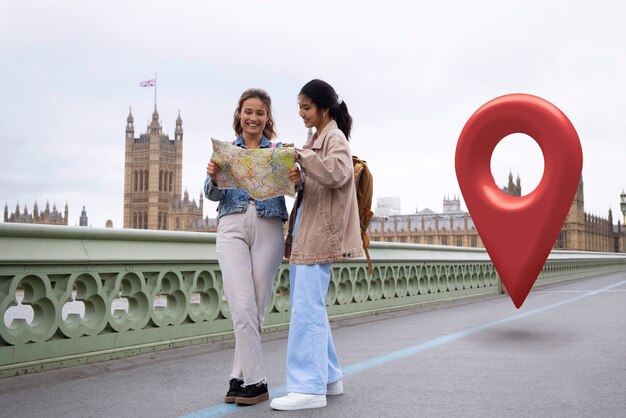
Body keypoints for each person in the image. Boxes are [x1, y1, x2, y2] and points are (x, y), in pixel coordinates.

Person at [270, 79, 363, 411]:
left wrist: (300, 156)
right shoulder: (318, 138)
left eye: (306, 107)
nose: (301, 113)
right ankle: (329, 378)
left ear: (323, 108)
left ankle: (308, 387)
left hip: (318, 235)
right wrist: (300, 178)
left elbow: (338, 174)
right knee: (312, 309)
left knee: (306, 311)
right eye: (299, 106)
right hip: (308, 233)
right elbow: (321, 184)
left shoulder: (333, 137)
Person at [204, 88, 288, 405]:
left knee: (256, 305)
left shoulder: (278, 152)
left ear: (267, 118)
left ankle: (238, 377)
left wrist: (296, 175)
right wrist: (212, 176)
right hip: (232, 222)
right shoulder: (225, 152)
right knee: (241, 305)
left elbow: (293, 189)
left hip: (268, 223)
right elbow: (211, 194)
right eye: (248, 111)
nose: (253, 117)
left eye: (260, 113)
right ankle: (258, 381)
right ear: (239, 114)